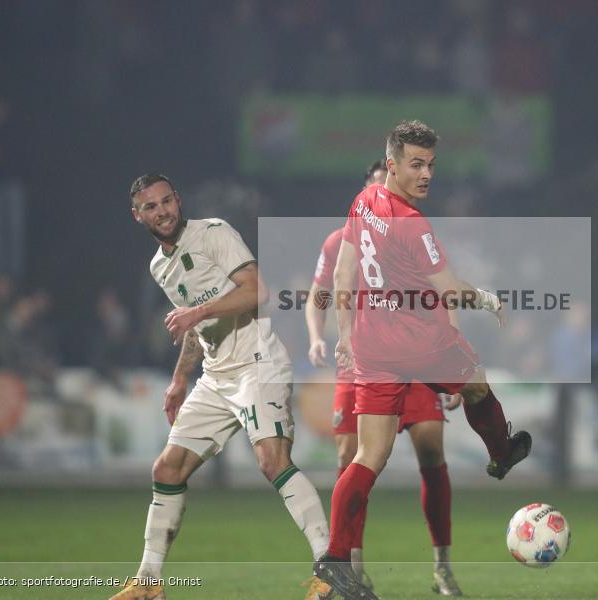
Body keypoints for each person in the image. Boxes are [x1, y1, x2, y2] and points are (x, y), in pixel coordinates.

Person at [312, 120, 532, 600]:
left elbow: (346, 269)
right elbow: (450, 289)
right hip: (417, 339)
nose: (426, 174)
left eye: (431, 164)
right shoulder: (413, 224)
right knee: (475, 382)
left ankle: (334, 557)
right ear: (391, 165)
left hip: (372, 344)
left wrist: (347, 334)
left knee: (369, 456)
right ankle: (501, 451)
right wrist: (490, 299)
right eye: (416, 164)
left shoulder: (363, 202)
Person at [111, 173, 329, 600]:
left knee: (272, 460)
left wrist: (197, 312)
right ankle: (149, 583)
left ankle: (332, 566)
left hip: (256, 361)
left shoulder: (214, 233)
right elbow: (196, 326)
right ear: (138, 216)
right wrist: (178, 380)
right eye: (151, 207)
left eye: (166, 201)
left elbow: (256, 291)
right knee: (167, 469)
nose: (162, 211)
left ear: (178, 199)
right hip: (216, 375)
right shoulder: (160, 266)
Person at [305, 160, 463, 597]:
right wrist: (320, 337)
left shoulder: (411, 233)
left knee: (431, 448)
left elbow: (443, 294)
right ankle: (352, 568)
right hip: (363, 361)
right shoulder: (341, 240)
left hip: (413, 360)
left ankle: (443, 568)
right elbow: (320, 294)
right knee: (353, 457)